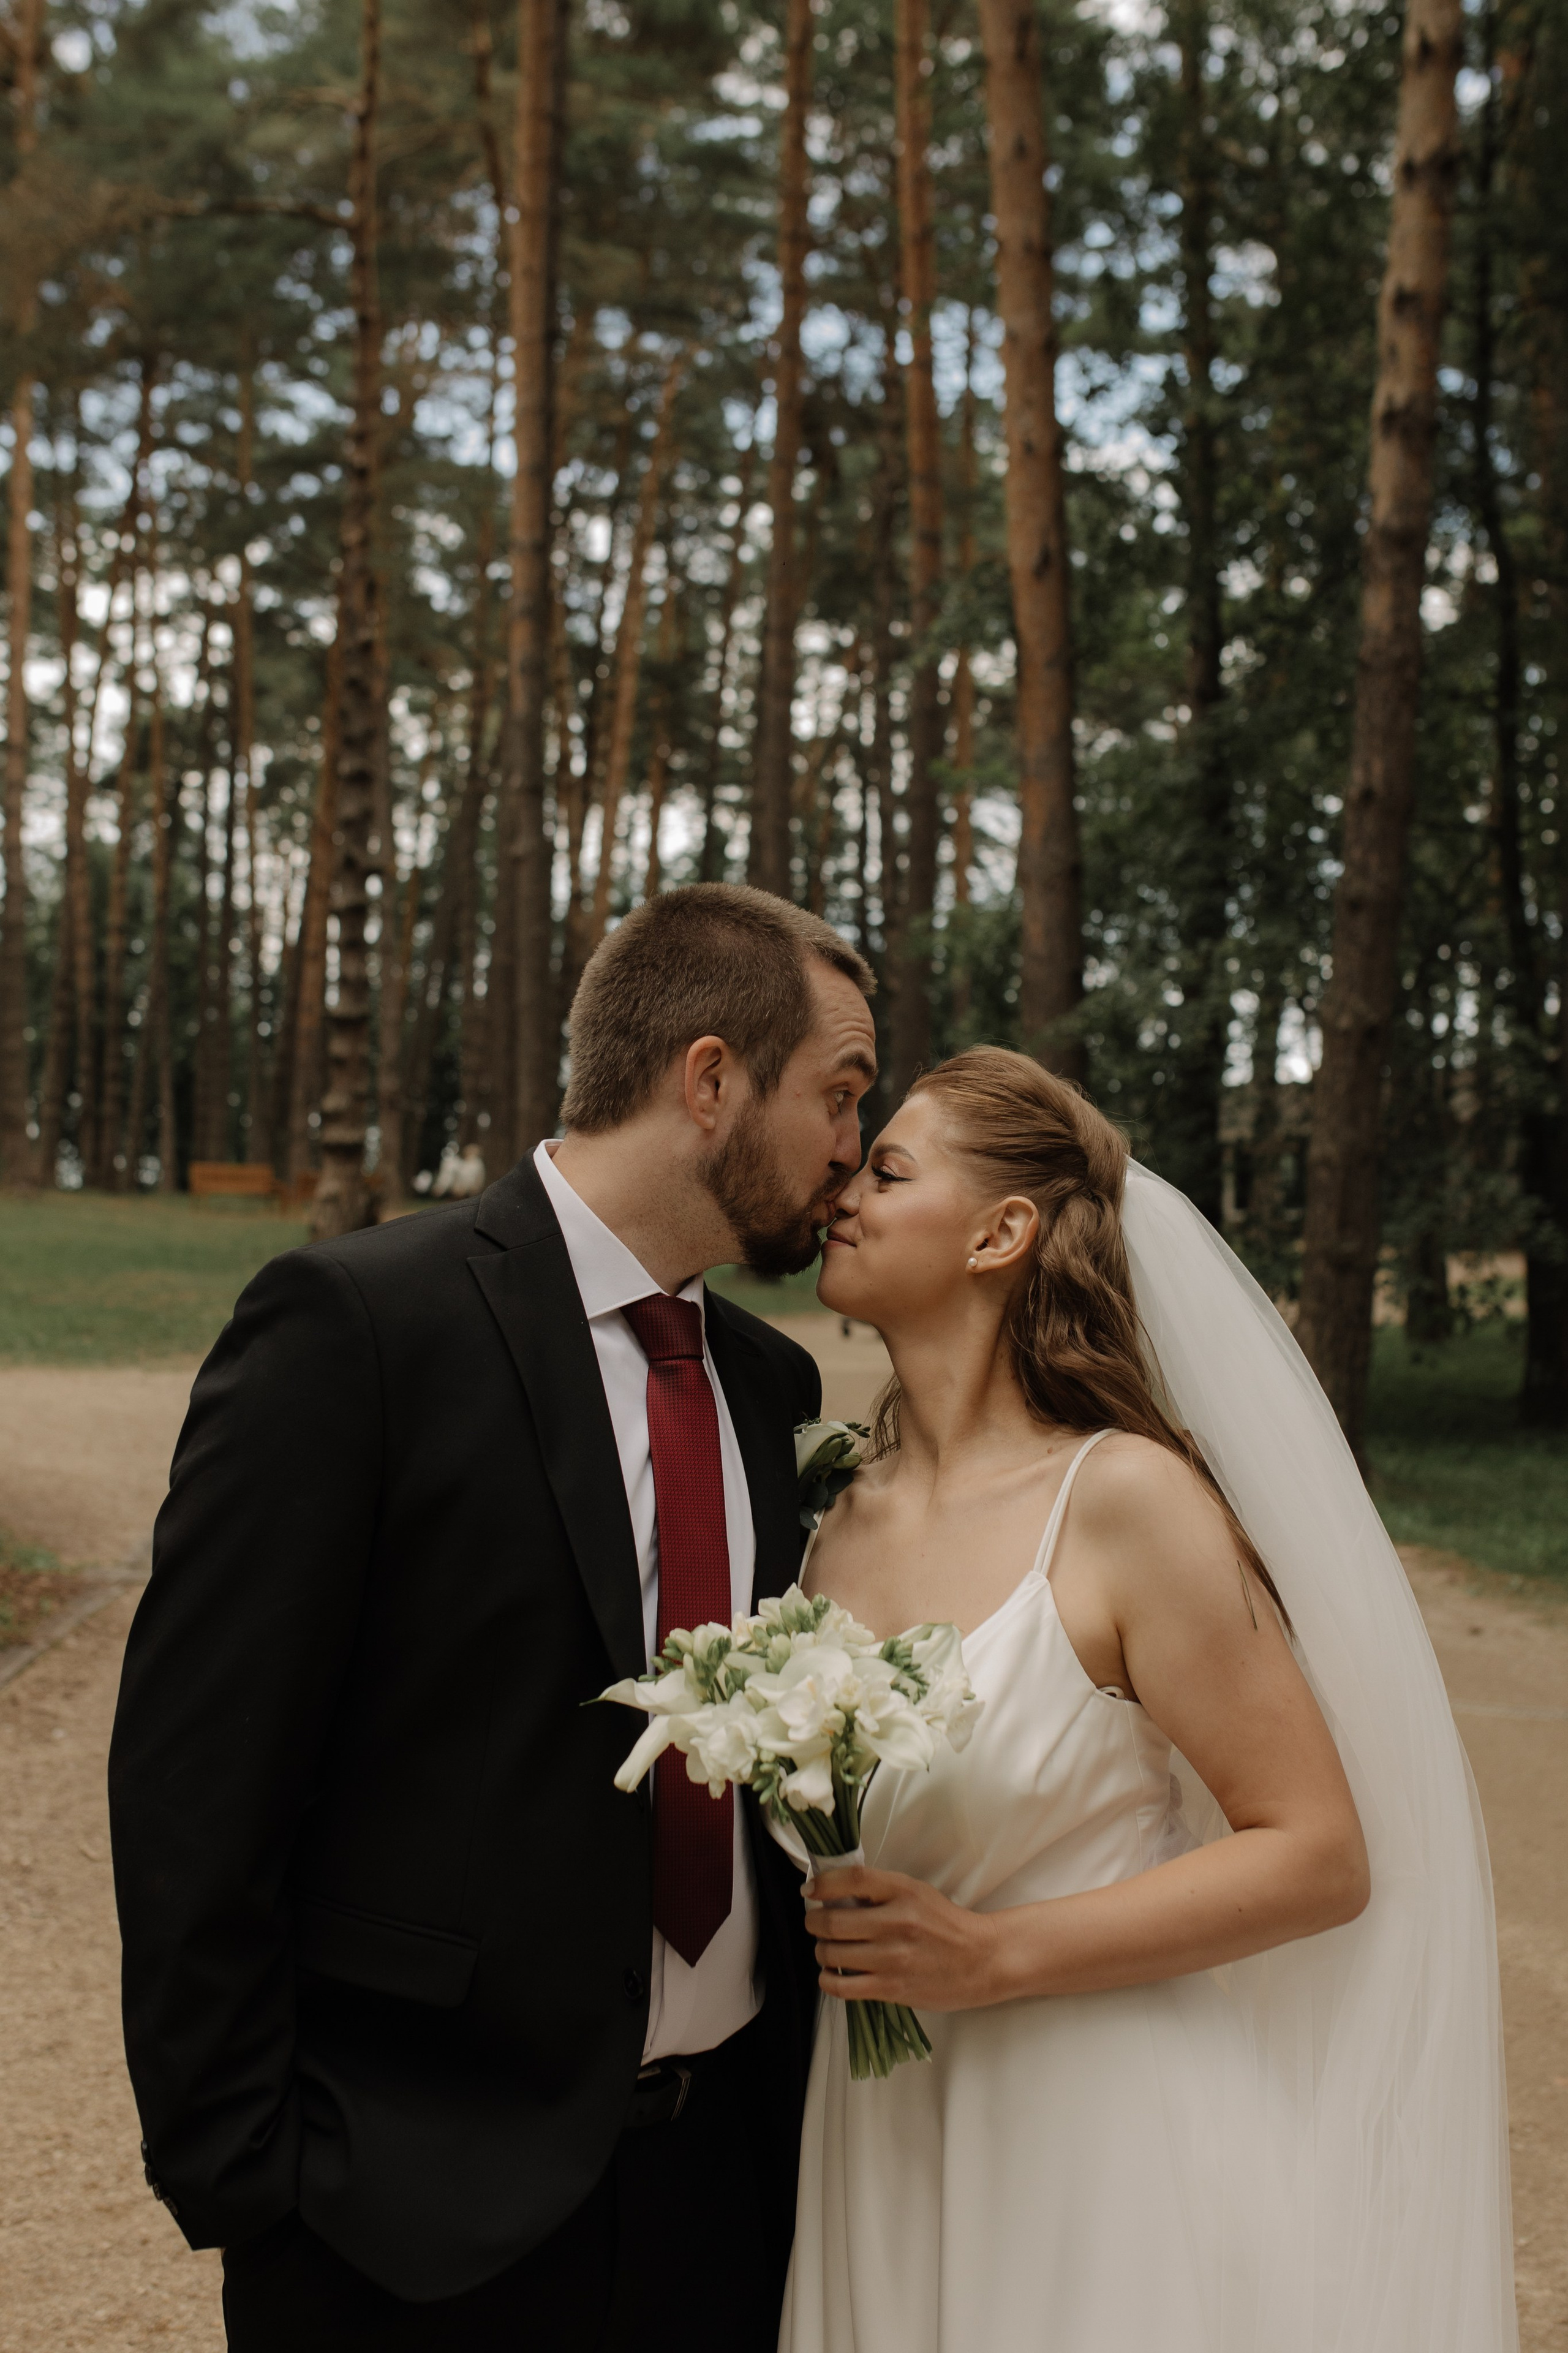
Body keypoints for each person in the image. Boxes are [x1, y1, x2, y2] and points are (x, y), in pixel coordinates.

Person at [108, 883, 878, 2352]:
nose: (852, 1148)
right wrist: (251, 2182)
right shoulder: (357, 1328)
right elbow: (193, 1779)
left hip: (727, 2195)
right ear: (709, 1080)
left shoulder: (773, 1388)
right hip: (404, 2218)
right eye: (839, 1095)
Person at [781, 1046, 1517, 2353]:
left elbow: (1318, 1854)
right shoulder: (834, 1517)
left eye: (887, 1169)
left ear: (999, 1232)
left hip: (1093, 2139)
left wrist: (992, 1955)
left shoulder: (1121, 1500)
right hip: (881, 2129)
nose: (841, 1187)